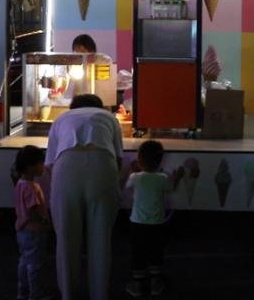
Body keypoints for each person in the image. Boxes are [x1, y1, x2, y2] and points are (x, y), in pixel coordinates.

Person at [47, 93, 123, 300]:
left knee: (66, 238)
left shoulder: (61, 119)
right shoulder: (109, 118)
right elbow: (118, 157)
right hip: (102, 167)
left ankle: (68, 294)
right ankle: (99, 294)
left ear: (73, 107)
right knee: (101, 238)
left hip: (66, 169)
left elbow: (50, 163)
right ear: (100, 106)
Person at [124, 140, 172, 298]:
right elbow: (170, 188)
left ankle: (137, 285)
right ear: (160, 161)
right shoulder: (163, 178)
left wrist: (133, 170)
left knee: (138, 252)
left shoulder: (135, 177)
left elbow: (127, 186)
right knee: (156, 252)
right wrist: (178, 176)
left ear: (139, 160)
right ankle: (155, 284)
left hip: (137, 223)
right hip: (157, 224)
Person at [14, 145, 52, 300]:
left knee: (24, 261)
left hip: (22, 230)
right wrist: (44, 220)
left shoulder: (20, 184)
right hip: (34, 231)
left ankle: (22, 292)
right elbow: (33, 209)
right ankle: (35, 294)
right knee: (35, 265)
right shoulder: (31, 187)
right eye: (41, 163)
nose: (43, 166)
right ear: (31, 167)